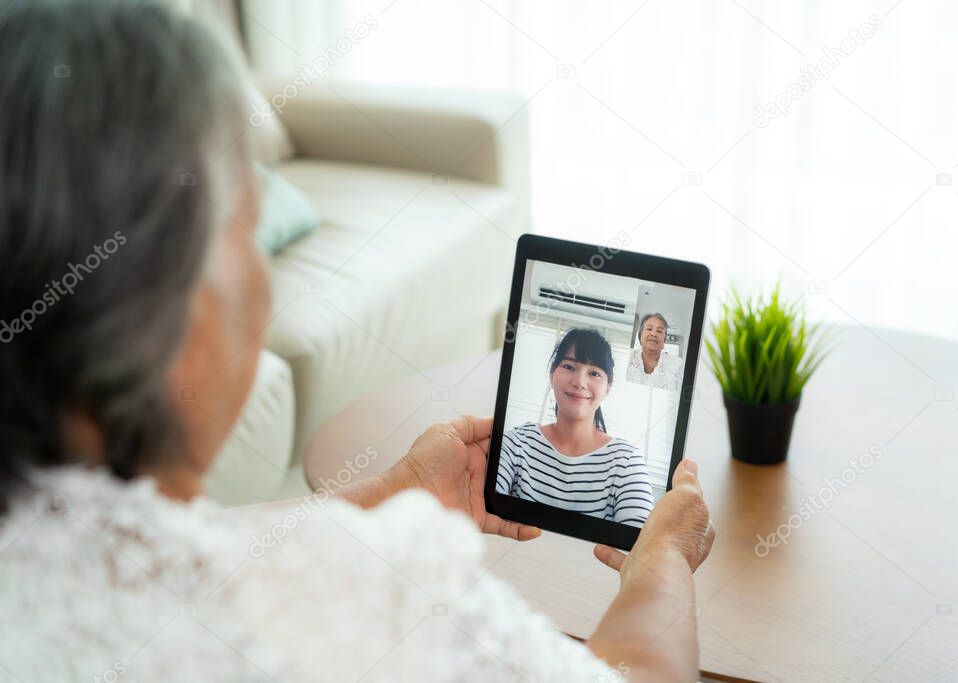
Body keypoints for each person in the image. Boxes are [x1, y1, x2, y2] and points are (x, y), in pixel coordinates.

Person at [0, 2, 714, 681]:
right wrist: (665, 559)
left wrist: (398, 489)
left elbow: (195, 551)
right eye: (247, 229)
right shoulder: (376, 590)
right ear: (167, 302)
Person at [497, 329, 655, 526]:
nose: (580, 382)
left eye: (594, 373)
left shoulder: (627, 461)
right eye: (569, 366)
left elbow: (641, 543)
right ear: (551, 374)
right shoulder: (515, 444)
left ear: (608, 388)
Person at [626, 312, 684, 391]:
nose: (653, 334)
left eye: (659, 331)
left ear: (664, 340)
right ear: (640, 336)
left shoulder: (678, 365)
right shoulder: (627, 357)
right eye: (649, 329)